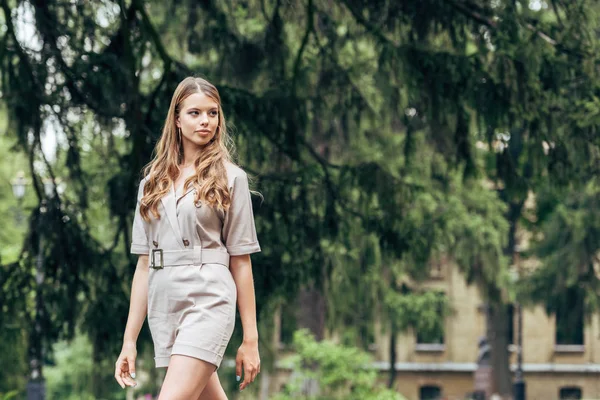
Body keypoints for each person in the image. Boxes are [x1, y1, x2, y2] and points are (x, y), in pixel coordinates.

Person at [114, 76, 262, 399]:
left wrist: (250, 339)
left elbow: (241, 261)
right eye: (195, 113)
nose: (205, 121)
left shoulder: (231, 179)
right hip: (165, 303)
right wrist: (129, 341)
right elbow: (144, 266)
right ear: (177, 119)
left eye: (212, 113)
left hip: (209, 298)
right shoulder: (151, 183)